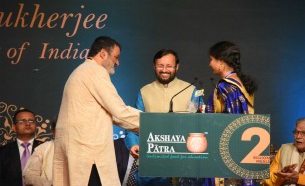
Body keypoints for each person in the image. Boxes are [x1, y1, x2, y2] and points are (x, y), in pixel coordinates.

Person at [53, 36, 140, 186]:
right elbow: (120, 112)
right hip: (88, 155)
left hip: (79, 152)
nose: (117, 63)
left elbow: (112, 114)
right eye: (116, 57)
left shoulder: (81, 71)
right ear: (103, 54)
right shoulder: (95, 71)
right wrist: (155, 123)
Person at [124, 49, 205, 186]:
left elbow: (201, 124)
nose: (164, 70)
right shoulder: (144, 91)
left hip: (183, 163)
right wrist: (133, 144)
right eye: (160, 66)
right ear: (154, 67)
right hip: (151, 164)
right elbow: (133, 123)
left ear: (177, 67)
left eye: (169, 66)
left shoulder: (191, 90)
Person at [205, 41, 257, 185]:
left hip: (227, 150)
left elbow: (230, 121)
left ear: (221, 61)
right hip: (246, 146)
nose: (209, 64)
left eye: (211, 59)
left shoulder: (225, 86)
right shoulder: (241, 83)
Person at [0, 108, 43, 186]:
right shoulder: (3, 152)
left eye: (31, 121)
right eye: (22, 121)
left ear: (35, 126)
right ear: (13, 127)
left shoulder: (46, 148)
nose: (27, 124)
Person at [262, 118, 305, 186]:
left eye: (303, 133)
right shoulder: (284, 149)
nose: (298, 136)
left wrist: (299, 178)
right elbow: (267, 180)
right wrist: (280, 176)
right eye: (296, 132)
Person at [23, 115, 57, 186]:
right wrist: (48, 184)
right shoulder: (43, 148)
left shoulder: (83, 149)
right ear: (53, 131)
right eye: (60, 129)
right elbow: (29, 175)